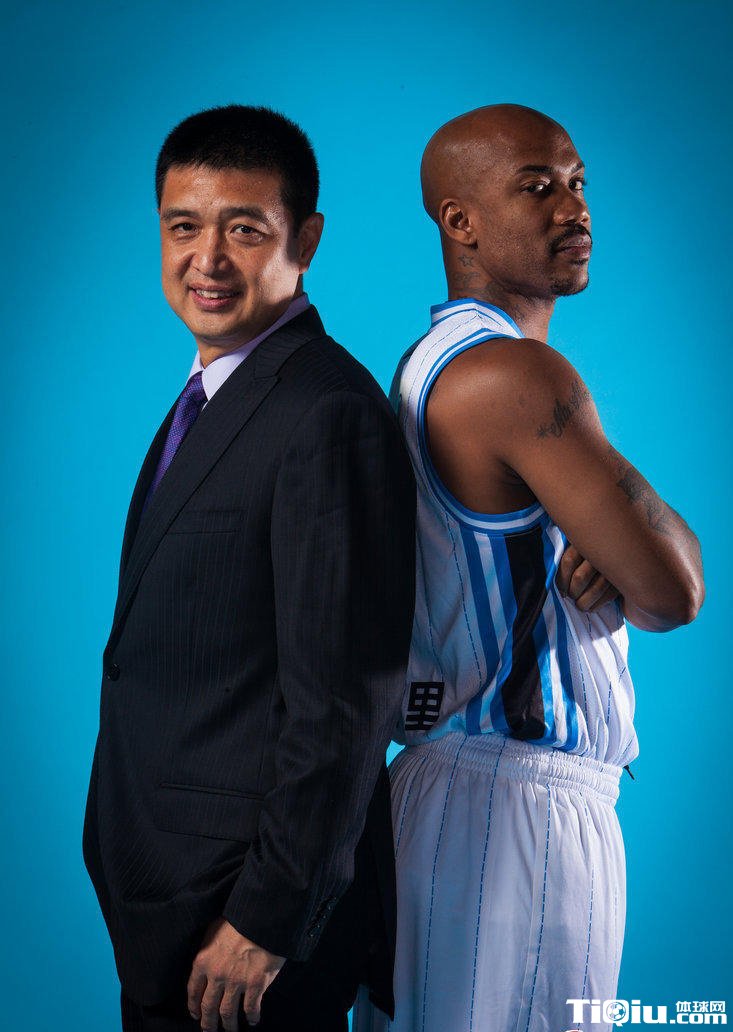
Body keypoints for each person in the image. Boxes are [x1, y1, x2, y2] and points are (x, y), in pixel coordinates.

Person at [352, 104, 704, 1032]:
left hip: (467, 800)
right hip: (508, 809)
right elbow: (675, 588)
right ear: (458, 221)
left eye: (578, 183)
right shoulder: (511, 378)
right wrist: (616, 545)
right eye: (536, 187)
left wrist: (607, 535)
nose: (572, 208)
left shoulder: (437, 364)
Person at [82, 104, 416, 1032]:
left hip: (246, 928)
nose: (207, 259)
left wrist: (267, 922)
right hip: (168, 898)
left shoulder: (326, 411)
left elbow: (344, 702)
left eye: (244, 230)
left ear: (304, 240)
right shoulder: (213, 393)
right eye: (183, 227)